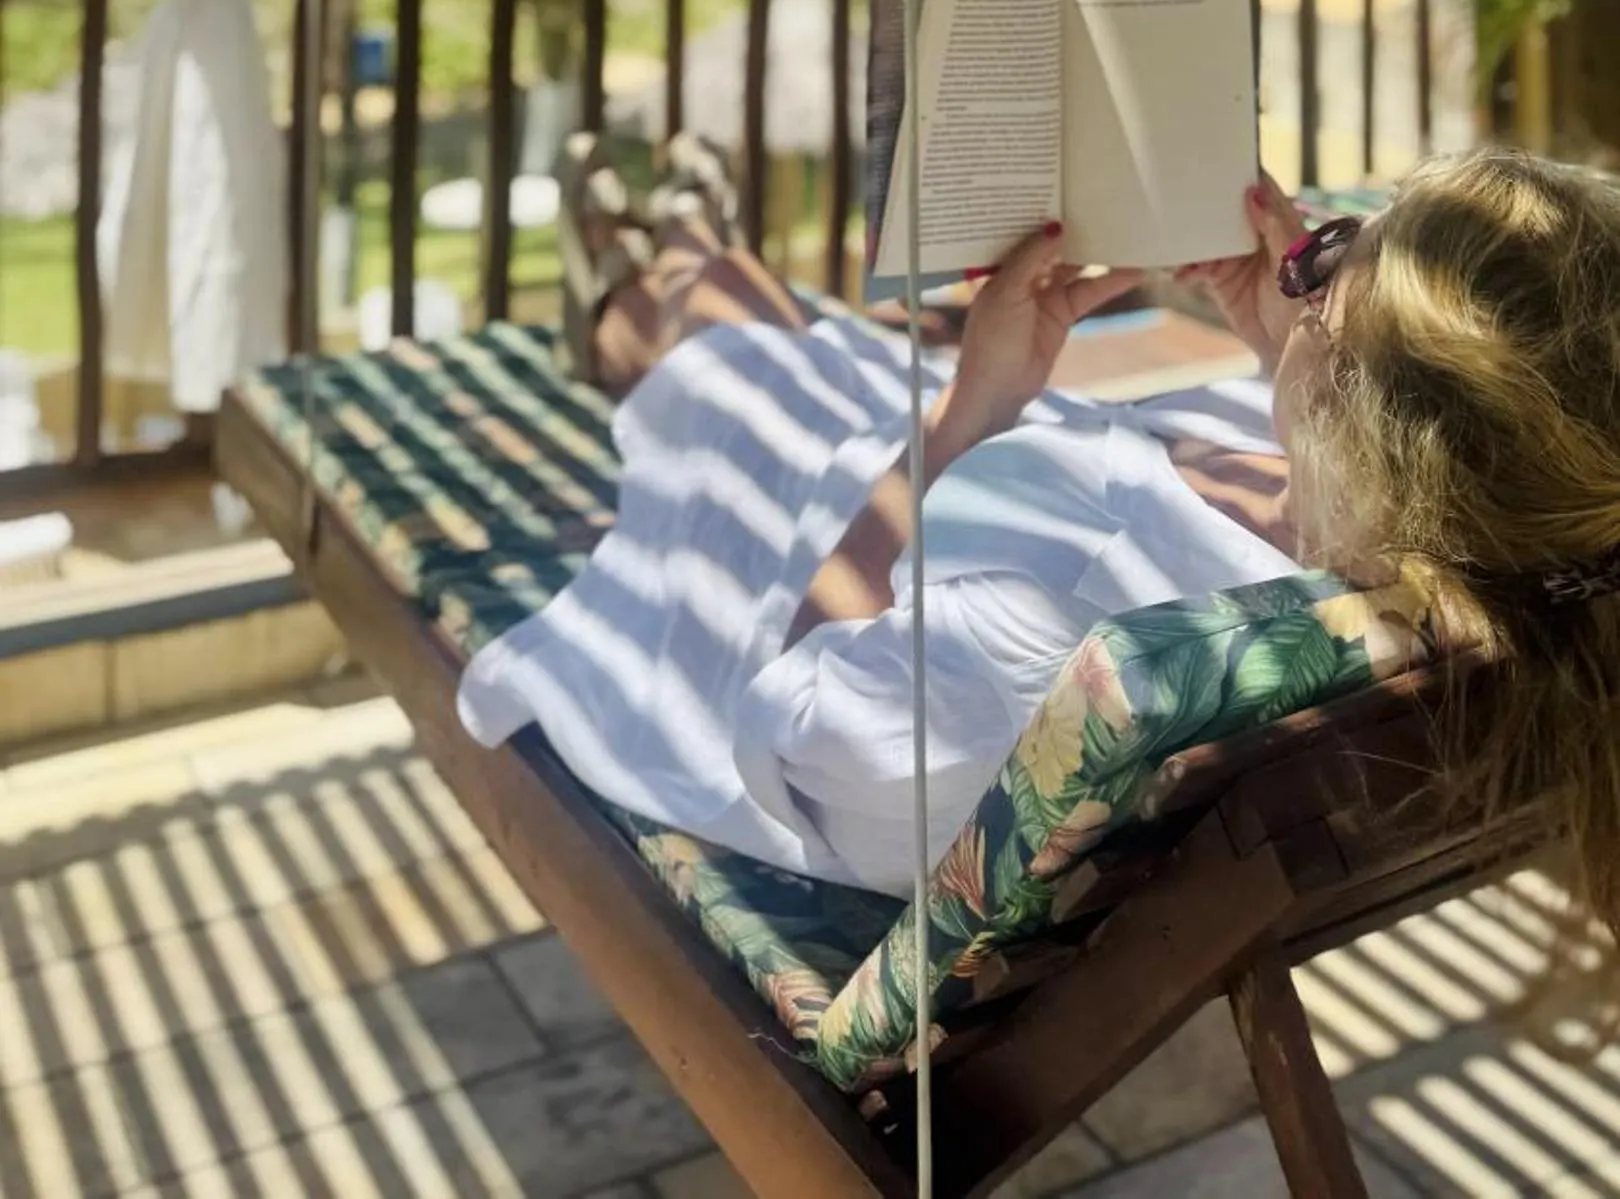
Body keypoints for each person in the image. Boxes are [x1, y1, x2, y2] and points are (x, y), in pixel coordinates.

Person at [458, 140, 1620, 948]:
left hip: (797, 542)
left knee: (736, 358)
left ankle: (643, 257)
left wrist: (971, 413)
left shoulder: (1038, 640)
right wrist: (1289, 357)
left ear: (1359, 391)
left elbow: (791, 701)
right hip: (955, 469)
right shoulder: (1510, 562)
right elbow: (1392, 488)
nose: (1299, 257)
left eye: (1326, 259)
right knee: (797, 340)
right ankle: (674, 236)